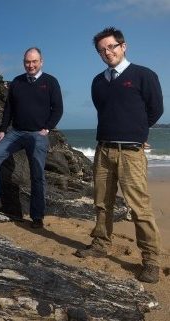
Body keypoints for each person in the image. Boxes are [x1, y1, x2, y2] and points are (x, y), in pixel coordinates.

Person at [74, 27, 164, 284]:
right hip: (103, 150)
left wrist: (136, 131)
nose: (107, 52)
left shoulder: (144, 75)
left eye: (112, 46)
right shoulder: (98, 81)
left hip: (131, 152)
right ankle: (101, 244)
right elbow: (103, 108)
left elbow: (155, 109)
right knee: (102, 203)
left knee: (139, 208)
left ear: (123, 46)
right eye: (102, 50)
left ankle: (151, 261)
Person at [0, 47, 63, 229]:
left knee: (37, 174)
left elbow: (58, 109)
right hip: (16, 133)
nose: (30, 65)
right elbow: (9, 108)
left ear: (41, 62)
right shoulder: (17, 82)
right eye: (27, 62)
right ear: (24, 63)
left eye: (34, 61)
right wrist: (2, 129)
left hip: (37, 135)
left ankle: (37, 216)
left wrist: (47, 129)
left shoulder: (50, 82)